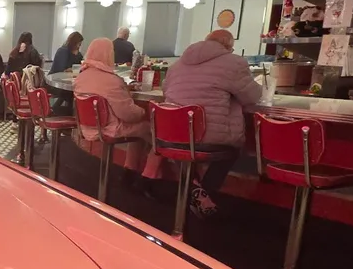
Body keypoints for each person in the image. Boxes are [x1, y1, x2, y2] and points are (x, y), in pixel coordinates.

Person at [162, 29, 264, 217]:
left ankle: (193, 187)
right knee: (233, 150)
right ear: (227, 47)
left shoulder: (177, 64)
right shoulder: (234, 63)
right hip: (209, 137)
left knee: (181, 146)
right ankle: (203, 194)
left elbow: (165, 90)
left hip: (172, 133)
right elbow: (253, 97)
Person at [73, 38, 160, 179]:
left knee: (139, 130)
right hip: (110, 129)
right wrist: (143, 112)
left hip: (87, 128)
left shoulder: (80, 78)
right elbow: (127, 114)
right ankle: (149, 176)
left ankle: (130, 169)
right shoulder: (112, 81)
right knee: (151, 130)